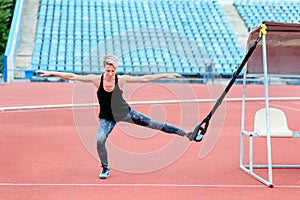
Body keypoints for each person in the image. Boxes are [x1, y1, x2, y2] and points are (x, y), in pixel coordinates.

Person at [37, 54, 197, 179]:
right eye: (108, 71)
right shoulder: (96, 79)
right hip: (107, 118)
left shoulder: (121, 80)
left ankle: (187, 134)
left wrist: (165, 75)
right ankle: (105, 168)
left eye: (113, 71)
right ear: (103, 69)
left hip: (126, 114)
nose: (110, 74)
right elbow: (72, 77)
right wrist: (52, 72)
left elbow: (145, 78)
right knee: (99, 140)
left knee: (156, 124)